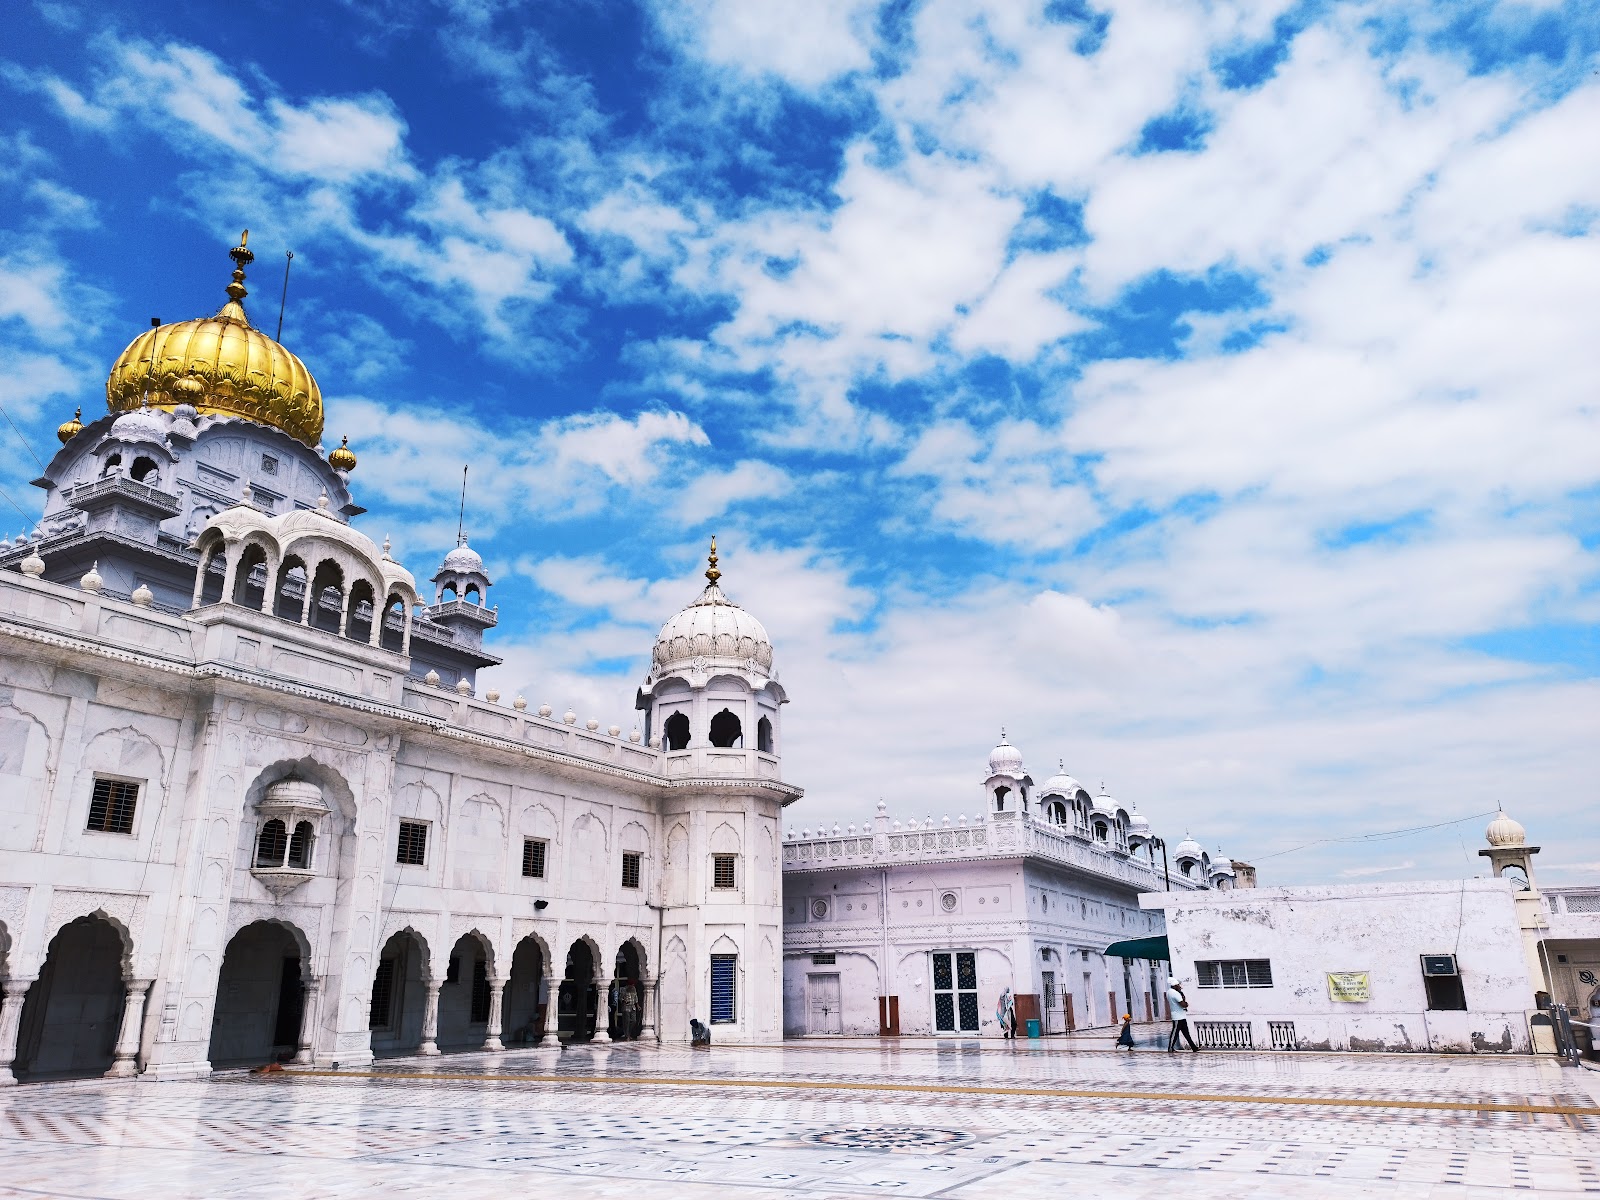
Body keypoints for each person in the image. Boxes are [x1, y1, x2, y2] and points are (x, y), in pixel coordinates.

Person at [1166, 978, 1199, 1052]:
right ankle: (1170, 1048)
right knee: (1175, 1032)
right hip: (1177, 1017)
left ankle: (1194, 1047)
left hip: (1180, 1016)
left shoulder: (1169, 992)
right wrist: (1186, 1003)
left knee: (1186, 1033)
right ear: (1175, 986)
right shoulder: (1175, 993)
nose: (1179, 986)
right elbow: (1183, 1004)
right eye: (1178, 985)